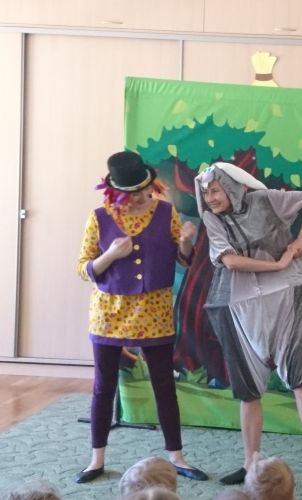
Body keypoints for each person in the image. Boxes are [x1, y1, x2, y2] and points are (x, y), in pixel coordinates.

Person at [194, 162, 302, 498]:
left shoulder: (265, 200)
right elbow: (230, 261)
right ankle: (250, 464)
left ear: (230, 186)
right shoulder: (213, 219)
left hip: (286, 297)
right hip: (242, 306)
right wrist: (276, 263)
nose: (210, 198)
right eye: (206, 193)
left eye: (215, 190)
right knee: (248, 389)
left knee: (300, 380)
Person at [75, 151, 207, 483]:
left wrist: (186, 242)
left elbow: (183, 259)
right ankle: (96, 459)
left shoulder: (165, 212)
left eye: (141, 190)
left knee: (164, 384)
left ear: (150, 185)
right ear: (114, 190)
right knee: (103, 386)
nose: (137, 197)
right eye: (129, 193)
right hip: (109, 313)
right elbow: (83, 268)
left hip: (154, 311)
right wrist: (109, 255)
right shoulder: (99, 217)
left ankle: (177, 456)